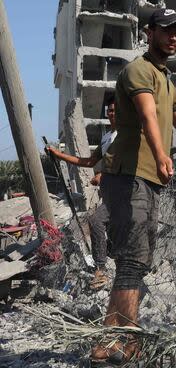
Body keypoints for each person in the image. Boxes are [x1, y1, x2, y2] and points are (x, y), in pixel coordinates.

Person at [90, 9, 176, 364]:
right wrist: (161, 154)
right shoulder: (139, 70)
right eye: (166, 30)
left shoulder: (167, 80)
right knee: (132, 260)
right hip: (129, 175)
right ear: (148, 32)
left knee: (135, 261)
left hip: (147, 179)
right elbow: (148, 114)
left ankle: (111, 342)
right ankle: (122, 340)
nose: (174, 37)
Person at [46, 97, 117, 290]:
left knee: (97, 222)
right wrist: (58, 155)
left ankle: (102, 269)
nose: (112, 113)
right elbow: (88, 162)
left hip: (125, 192)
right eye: (109, 110)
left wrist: (104, 175)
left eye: (115, 110)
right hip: (110, 193)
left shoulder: (128, 135)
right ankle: (103, 269)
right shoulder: (107, 138)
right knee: (101, 225)